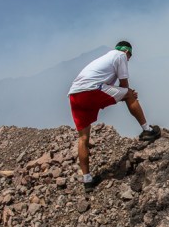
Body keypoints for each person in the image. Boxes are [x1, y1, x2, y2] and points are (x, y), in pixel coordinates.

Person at [68, 40, 161, 192]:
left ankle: (87, 180)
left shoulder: (106, 58)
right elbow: (124, 84)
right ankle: (147, 130)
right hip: (91, 91)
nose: (128, 60)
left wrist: (124, 94)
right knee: (129, 95)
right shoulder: (121, 56)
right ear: (127, 52)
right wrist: (128, 94)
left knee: (83, 138)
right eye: (130, 57)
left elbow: (114, 89)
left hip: (74, 94)